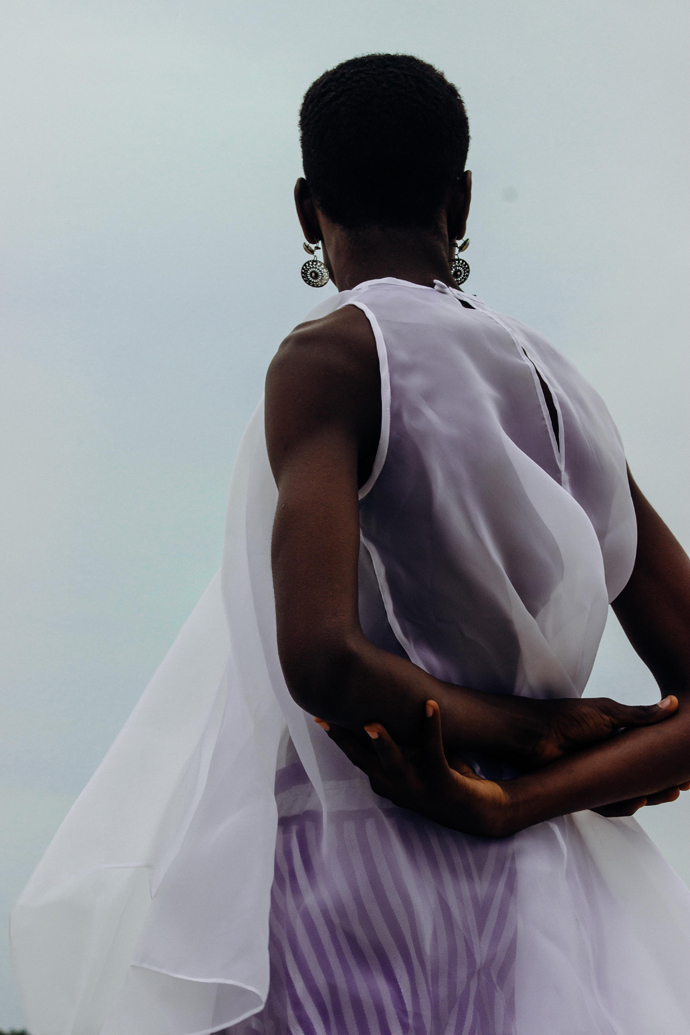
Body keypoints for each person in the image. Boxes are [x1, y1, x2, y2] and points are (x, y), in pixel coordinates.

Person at [11, 53, 690, 1035]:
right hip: (536, 901)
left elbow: (321, 657)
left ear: (305, 207)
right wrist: (518, 793)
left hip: (348, 880)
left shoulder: (328, 357)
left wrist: (528, 733)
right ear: (459, 199)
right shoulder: (567, 395)